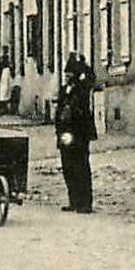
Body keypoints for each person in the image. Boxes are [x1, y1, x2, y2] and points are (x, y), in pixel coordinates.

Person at [55, 53, 97, 213]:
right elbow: (60, 109)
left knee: (81, 166)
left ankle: (85, 203)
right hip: (65, 133)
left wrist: (83, 66)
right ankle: (73, 200)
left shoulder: (82, 87)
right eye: (66, 74)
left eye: (70, 74)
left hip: (79, 133)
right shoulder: (64, 89)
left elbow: (90, 78)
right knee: (68, 167)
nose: (67, 77)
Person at [0, 48, 15, 115]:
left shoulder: (6, 70)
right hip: (4, 84)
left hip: (6, 87)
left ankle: (3, 108)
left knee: (4, 94)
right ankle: (3, 108)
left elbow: (7, 83)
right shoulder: (4, 70)